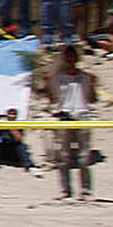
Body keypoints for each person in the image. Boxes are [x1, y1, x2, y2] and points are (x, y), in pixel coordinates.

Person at [43, 45, 97, 200]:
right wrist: (47, 86)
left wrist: (93, 86)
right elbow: (53, 99)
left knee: (83, 157)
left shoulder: (85, 77)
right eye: (67, 56)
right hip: (65, 116)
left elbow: (92, 99)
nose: (70, 59)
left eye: (73, 56)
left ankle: (86, 191)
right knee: (64, 156)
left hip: (82, 116)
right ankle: (66, 190)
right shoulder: (58, 77)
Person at [0, 109, 35, 174]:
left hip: (14, 151)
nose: (12, 116)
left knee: (21, 146)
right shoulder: (2, 125)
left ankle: (30, 166)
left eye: (14, 114)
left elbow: (19, 139)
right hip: (4, 150)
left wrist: (11, 126)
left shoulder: (19, 124)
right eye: (10, 114)